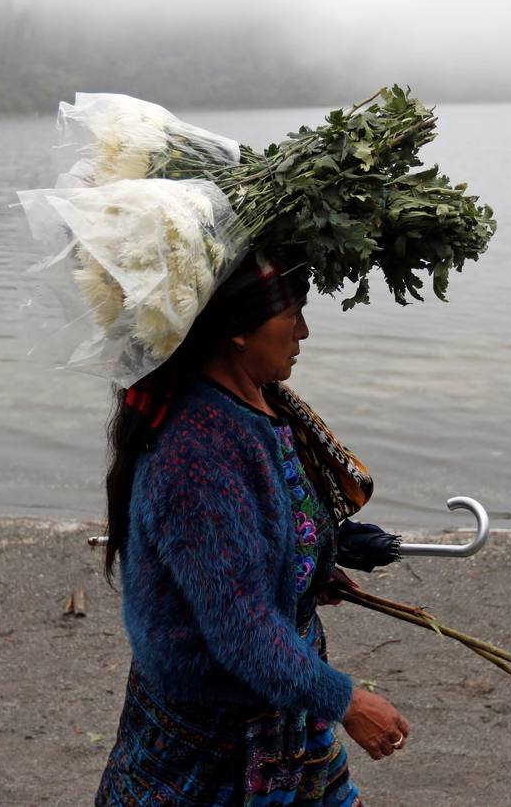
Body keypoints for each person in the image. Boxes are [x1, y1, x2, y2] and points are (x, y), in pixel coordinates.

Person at [96, 255, 409, 806]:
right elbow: (242, 632)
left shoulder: (257, 405)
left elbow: (262, 534)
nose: (304, 331)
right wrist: (350, 703)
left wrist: (310, 570)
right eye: (293, 314)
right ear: (236, 331)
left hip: (278, 703)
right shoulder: (196, 453)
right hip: (212, 729)